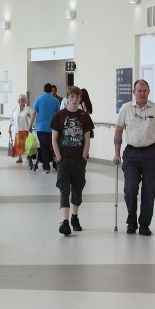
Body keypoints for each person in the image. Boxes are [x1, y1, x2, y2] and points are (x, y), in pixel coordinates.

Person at [113, 79, 155, 235]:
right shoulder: (126, 108)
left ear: (148, 92)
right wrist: (117, 154)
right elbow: (118, 131)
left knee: (149, 191)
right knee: (130, 189)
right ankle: (131, 222)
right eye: (139, 91)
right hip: (131, 154)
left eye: (145, 91)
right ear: (134, 92)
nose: (142, 94)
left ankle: (144, 224)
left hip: (150, 153)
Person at [51, 85, 92, 235]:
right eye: (72, 97)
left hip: (78, 160)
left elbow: (87, 140)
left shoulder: (84, 117)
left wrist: (84, 158)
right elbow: (54, 139)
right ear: (67, 98)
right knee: (64, 189)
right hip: (64, 160)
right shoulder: (59, 116)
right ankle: (65, 221)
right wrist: (59, 158)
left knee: (77, 190)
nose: (74, 100)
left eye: (77, 97)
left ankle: (75, 217)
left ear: (80, 98)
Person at [30, 83, 61, 173]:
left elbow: (34, 113)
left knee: (43, 146)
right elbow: (58, 114)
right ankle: (53, 162)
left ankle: (46, 167)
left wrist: (30, 125)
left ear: (43, 89)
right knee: (50, 146)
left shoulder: (39, 99)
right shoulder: (55, 100)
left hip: (41, 128)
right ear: (51, 90)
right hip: (52, 128)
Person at [9, 94, 32, 164]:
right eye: (21, 100)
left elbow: (33, 117)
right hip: (18, 130)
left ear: (25, 101)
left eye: (23, 100)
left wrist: (30, 116)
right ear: (18, 101)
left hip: (26, 129)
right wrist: (9, 127)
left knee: (27, 144)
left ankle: (29, 156)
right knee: (19, 145)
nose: (22, 101)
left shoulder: (28, 109)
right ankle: (20, 158)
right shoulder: (15, 109)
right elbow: (11, 119)